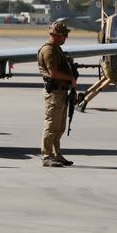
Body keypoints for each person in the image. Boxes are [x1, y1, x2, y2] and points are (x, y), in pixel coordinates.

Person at [37, 21, 76, 167]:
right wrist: (70, 78)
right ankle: (46, 156)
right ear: (56, 35)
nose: (66, 38)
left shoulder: (57, 49)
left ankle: (56, 154)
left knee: (59, 127)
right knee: (51, 125)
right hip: (54, 93)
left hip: (61, 92)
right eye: (64, 35)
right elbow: (53, 73)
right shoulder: (49, 50)